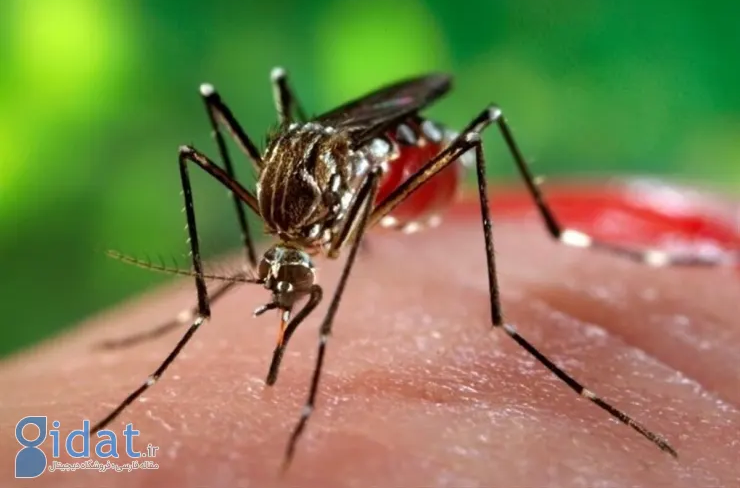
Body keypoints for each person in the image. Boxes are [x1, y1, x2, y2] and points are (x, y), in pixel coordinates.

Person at [0, 181, 737, 486]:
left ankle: (519, 301)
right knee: (204, 152)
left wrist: (316, 352)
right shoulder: (286, 231)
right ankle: (185, 324)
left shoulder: (319, 217)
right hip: (330, 184)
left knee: (477, 132)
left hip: (398, 162)